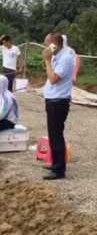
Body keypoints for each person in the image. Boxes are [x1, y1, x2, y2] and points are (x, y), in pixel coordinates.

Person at [42, 32, 75, 180]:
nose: (45, 47)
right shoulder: (58, 55)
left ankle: (59, 170)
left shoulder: (65, 57)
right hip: (52, 100)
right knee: (53, 135)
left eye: (47, 44)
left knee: (56, 136)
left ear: (54, 44)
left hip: (58, 101)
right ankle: (55, 163)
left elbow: (54, 78)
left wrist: (47, 61)